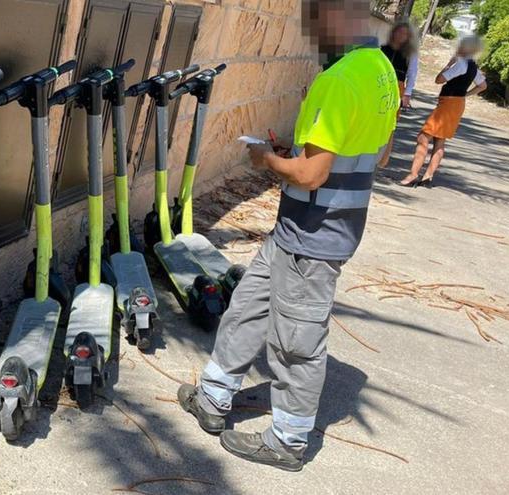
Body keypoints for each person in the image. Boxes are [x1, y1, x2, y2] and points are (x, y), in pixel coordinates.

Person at [176, 0, 398, 472]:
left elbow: (312, 175)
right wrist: (295, 152)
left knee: (295, 342)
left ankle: (289, 440)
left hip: (314, 238)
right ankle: (213, 397)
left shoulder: (340, 79)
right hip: (299, 231)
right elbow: (375, 154)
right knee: (249, 304)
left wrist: (268, 161)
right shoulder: (380, 69)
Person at [400, 35, 487, 187]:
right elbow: (483, 85)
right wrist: (465, 94)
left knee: (423, 136)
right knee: (439, 140)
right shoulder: (473, 67)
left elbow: (439, 79)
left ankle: (413, 174)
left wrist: (449, 64)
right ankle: (428, 176)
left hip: (448, 104)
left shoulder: (461, 65)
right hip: (457, 103)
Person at [379, 21, 419, 166]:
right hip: (380, 85)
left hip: (397, 87)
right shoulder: (382, 49)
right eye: (399, 32)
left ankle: (383, 159)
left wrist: (407, 94)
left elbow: (412, 74)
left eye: (405, 34)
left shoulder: (410, 54)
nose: (400, 36)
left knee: (390, 124)